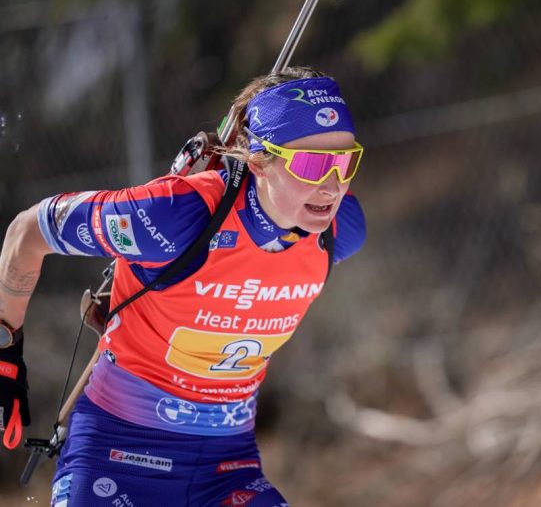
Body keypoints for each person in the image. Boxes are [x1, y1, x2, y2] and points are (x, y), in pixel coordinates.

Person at [0, 66, 366, 506]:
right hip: (118, 456)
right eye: (310, 165)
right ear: (257, 161)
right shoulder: (174, 217)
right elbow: (27, 232)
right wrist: (5, 353)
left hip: (226, 470)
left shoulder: (340, 231)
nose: (332, 186)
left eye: (345, 162)